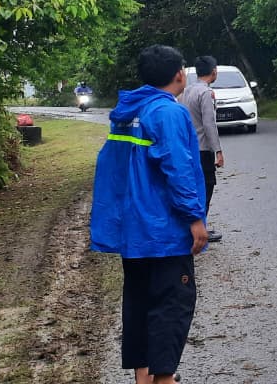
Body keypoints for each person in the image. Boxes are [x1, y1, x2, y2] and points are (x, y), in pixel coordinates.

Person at [90, 45, 208, 384]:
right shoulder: (168, 112)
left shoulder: (127, 112)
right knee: (172, 306)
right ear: (179, 75)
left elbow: (113, 168)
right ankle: (164, 379)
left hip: (134, 232)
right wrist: (195, 218)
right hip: (164, 232)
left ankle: (142, 377)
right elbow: (178, 169)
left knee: (139, 304)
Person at [179, 55, 225, 242]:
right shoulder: (205, 93)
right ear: (214, 72)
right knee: (206, 187)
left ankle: (192, 227)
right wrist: (218, 151)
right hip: (203, 149)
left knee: (193, 188)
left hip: (188, 147)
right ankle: (200, 229)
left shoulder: (187, 91)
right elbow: (209, 124)